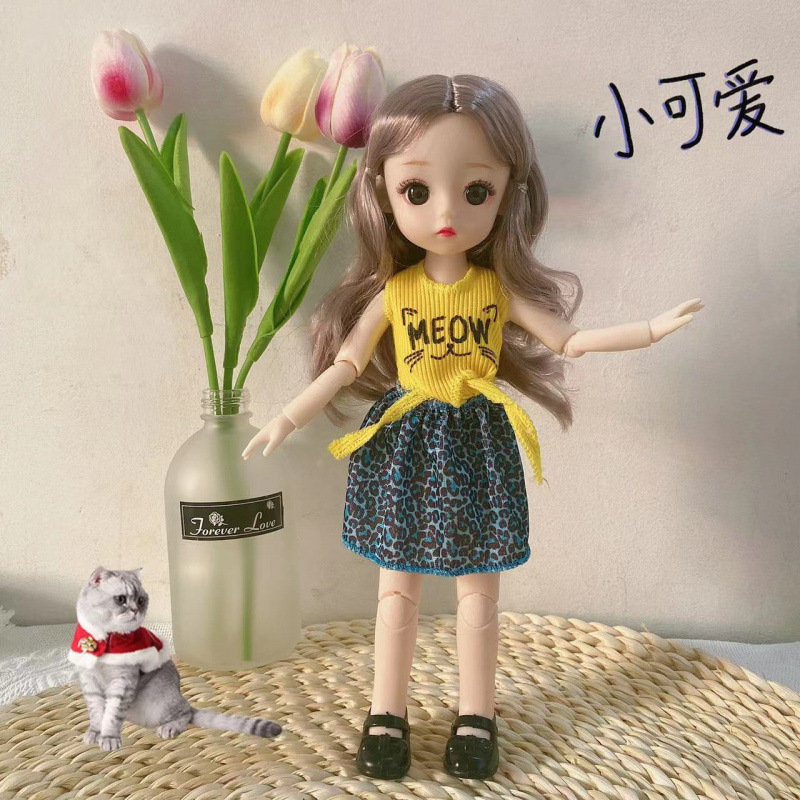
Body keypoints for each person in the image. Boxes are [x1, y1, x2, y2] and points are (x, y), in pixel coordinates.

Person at [242, 73, 703, 780]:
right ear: (382, 192)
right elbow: (345, 364)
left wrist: (647, 329)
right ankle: (386, 715)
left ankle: (477, 717)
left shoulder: (495, 289)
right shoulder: (396, 291)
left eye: (476, 190)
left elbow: (569, 341)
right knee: (395, 591)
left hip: (478, 441)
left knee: (478, 593)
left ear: (508, 194)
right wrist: (286, 416)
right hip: (404, 441)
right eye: (416, 190)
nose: (446, 211)